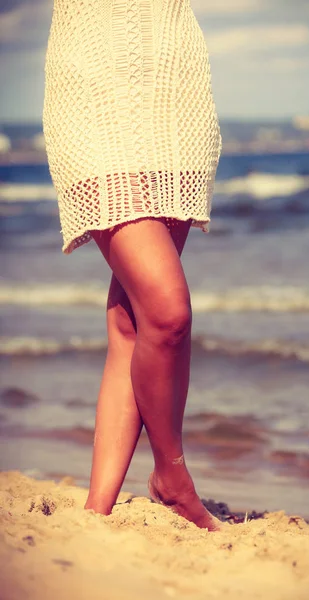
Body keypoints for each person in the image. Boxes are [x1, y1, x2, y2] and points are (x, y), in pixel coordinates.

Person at [42, 0, 222, 531]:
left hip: (174, 98)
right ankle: (172, 478)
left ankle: (97, 512)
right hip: (93, 96)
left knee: (134, 320)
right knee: (168, 313)